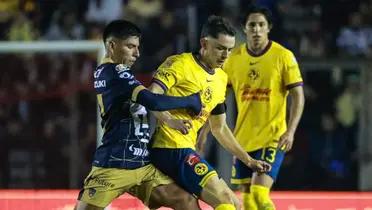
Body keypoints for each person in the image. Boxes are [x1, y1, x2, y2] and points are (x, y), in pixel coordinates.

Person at [76, 19, 204, 210]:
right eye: (130, 46)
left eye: (137, 47)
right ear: (112, 45)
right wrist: (189, 101)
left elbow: (142, 102)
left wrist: (169, 119)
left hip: (142, 166)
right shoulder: (115, 72)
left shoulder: (113, 73)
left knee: (185, 201)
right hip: (114, 164)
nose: (137, 53)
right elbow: (152, 100)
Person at [149, 15, 272, 210]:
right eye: (220, 48)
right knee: (224, 200)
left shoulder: (221, 79)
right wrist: (170, 120)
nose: (225, 55)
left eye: (230, 50)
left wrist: (249, 160)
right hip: (168, 148)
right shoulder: (179, 64)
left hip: (185, 150)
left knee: (235, 205)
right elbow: (151, 96)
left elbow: (220, 128)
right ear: (204, 43)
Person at [201, 6, 305, 210]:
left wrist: (291, 131)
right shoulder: (233, 59)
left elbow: (298, 96)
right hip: (243, 140)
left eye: (261, 25)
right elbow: (217, 100)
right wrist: (205, 130)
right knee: (248, 201)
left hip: (272, 137)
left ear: (269, 28)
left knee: (259, 196)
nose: (256, 29)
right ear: (245, 28)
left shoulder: (283, 56)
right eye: (252, 25)